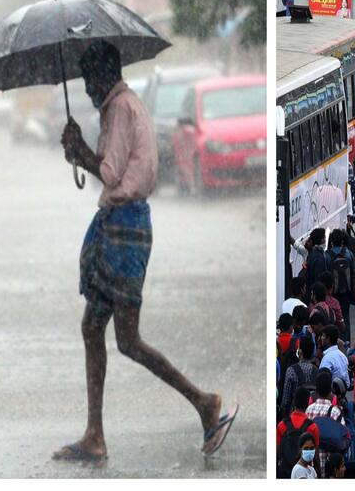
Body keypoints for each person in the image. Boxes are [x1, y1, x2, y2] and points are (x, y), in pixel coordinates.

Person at [54, 40, 234, 461]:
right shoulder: (127, 104)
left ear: (103, 75)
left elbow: (111, 172)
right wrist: (81, 151)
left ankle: (203, 402)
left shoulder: (119, 108)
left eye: (87, 80)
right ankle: (95, 432)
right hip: (122, 226)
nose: (85, 90)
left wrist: (80, 152)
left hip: (124, 229)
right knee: (92, 328)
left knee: (128, 339)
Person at [306, 370, 345, 475]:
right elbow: (343, 441)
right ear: (330, 391)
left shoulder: (308, 410)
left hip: (312, 468)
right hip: (330, 468)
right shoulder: (335, 412)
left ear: (316, 390)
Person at [277, 386, 321, 477]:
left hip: (284, 473)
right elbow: (316, 457)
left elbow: (276, 453)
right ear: (308, 403)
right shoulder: (312, 427)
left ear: (294, 402)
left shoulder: (282, 425)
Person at [280, 336, 318, 416]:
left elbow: (286, 401)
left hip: (295, 415)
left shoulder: (291, 371)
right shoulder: (316, 370)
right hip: (312, 414)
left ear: (300, 352)